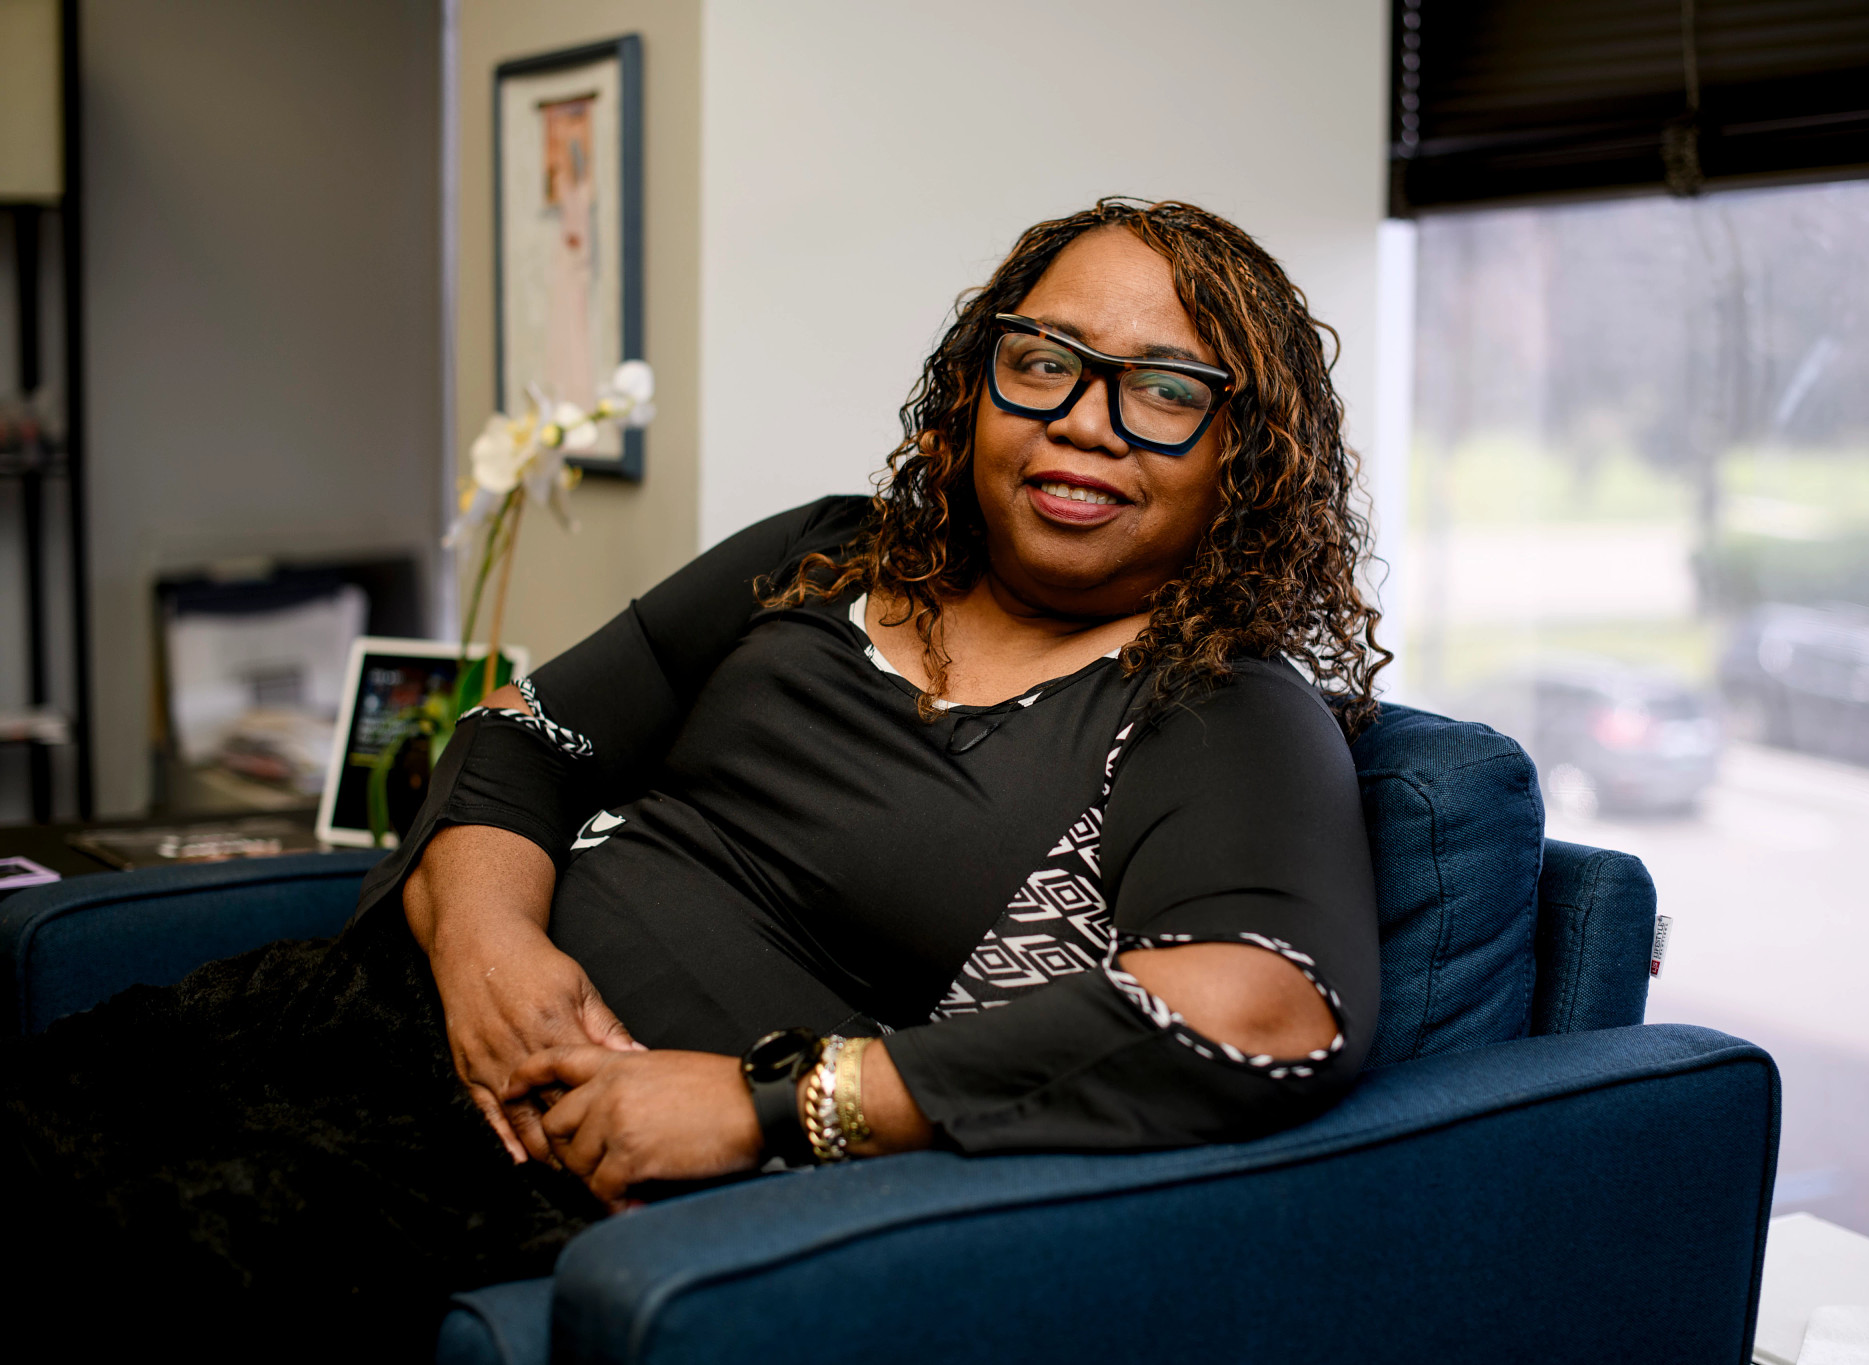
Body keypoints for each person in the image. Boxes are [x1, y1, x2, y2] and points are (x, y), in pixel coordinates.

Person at [3, 197, 1389, 1359]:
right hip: (350, 1014)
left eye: (1165, 391)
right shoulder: (829, 551)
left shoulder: (1220, 709)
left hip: (551, 1168)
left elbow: (1265, 1006)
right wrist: (489, 945)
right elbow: (522, 736)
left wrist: (769, 1099)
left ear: (1243, 457)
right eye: (1046, 361)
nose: (1087, 421)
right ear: (979, 385)